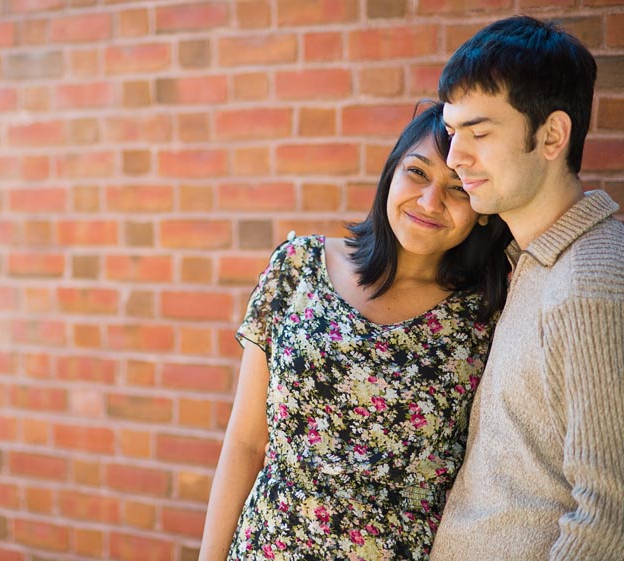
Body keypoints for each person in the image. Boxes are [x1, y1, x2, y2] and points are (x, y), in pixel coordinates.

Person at [198, 102, 512, 561]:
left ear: (483, 208)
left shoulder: (486, 314)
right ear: (391, 175)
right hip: (266, 547)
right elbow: (246, 441)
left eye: (457, 190)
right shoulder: (298, 266)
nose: (429, 202)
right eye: (417, 173)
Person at [430, 16, 624, 561]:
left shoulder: (590, 285)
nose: (454, 158)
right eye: (452, 132)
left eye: (480, 133)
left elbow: (608, 518)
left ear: (552, 136)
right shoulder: (536, 263)